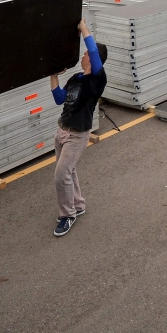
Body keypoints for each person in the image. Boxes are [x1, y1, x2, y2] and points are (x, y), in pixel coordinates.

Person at [49, 19, 107, 237]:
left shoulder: (97, 79)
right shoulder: (76, 78)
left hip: (77, 135)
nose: (83, 55)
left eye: (86, 54)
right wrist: (53, 75)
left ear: (94, 59)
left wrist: (82, 27)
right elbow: (59, 98)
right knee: (68, 172)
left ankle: (68, 215)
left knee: (60, 175)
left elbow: (92, 50)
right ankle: (78, 205)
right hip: (62, 131)